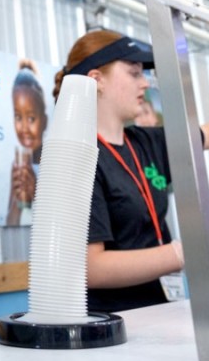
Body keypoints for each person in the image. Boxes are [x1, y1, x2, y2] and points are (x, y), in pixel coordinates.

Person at [54, 29, 207, 312]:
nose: (145, 84)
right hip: (112, 324)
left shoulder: (145, 141)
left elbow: (204, 135)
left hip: (160, 310)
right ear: (97, 80)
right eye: (134, 73)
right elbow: (92, 268)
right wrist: (181, 253)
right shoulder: (77, 157)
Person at [6, 60, 48, 226]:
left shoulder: (53, 162)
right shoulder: (18, 167)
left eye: (31, 118)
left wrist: (36, 193)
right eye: (18, 117)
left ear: (44, 120)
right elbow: (10, 224)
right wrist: (18, 200)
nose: (24, 128)